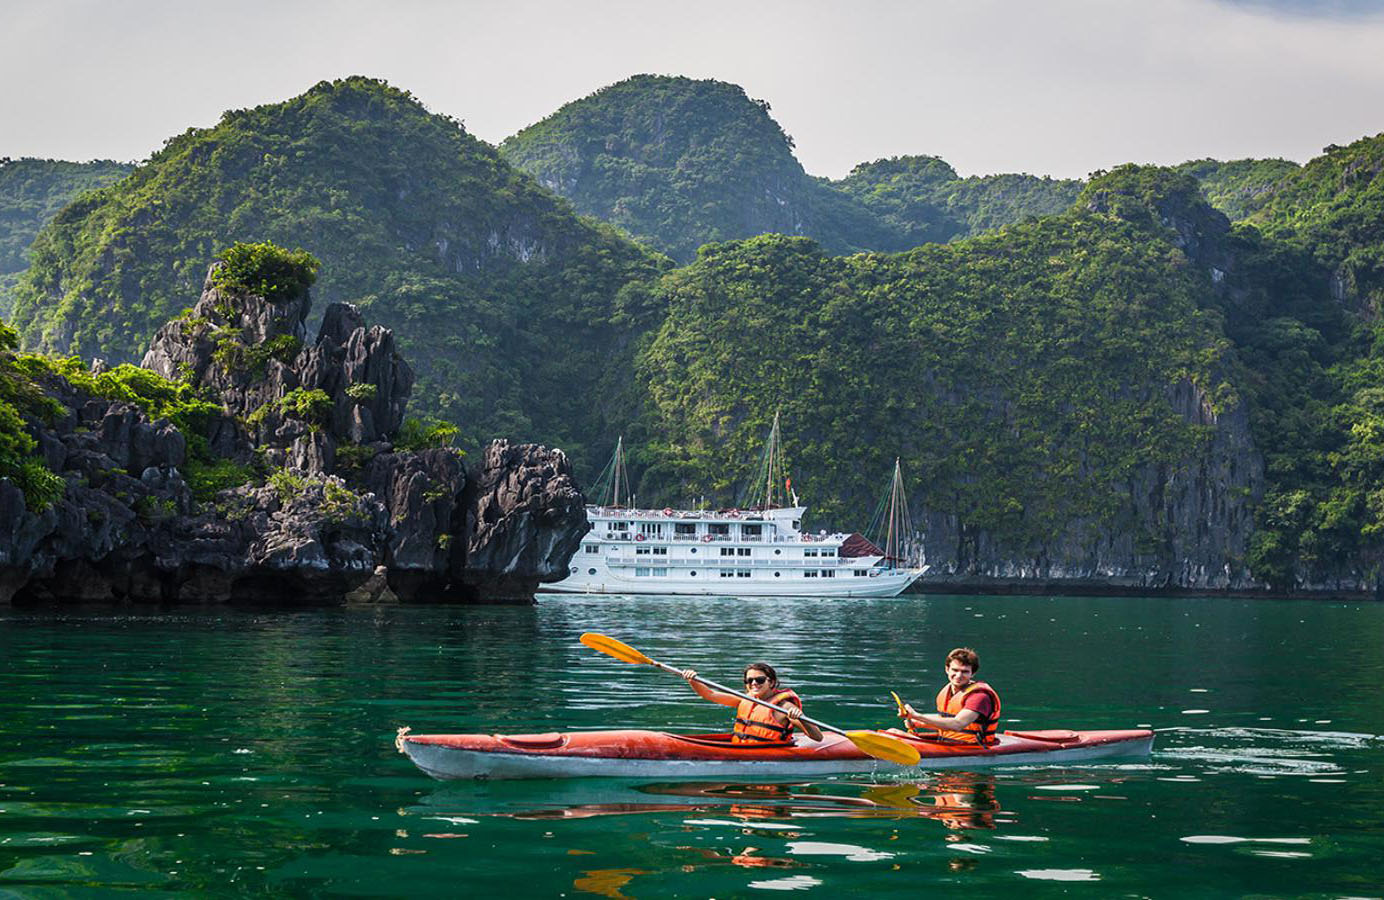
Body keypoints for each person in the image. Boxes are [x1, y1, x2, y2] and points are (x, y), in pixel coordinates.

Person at [681, 662, 824, 743]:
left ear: (772, 682)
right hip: (741, 746)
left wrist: (800, 718)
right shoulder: (746, 699)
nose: (754, 683)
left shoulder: (783, 707)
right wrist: (693, 680)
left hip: (768, 752)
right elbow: (709, 694)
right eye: (749, 681)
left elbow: (817, 737)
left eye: (760, 680)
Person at [901, 647, 1002, 747]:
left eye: (965, 671)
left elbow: (957, 724)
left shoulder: (979, 697)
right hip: (947, 743)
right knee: (893, 732)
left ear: (973, 673)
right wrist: (917, 722)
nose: (958, 675)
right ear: (947, 669)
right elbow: (946, 718)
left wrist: (917, 716)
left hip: (971, 747)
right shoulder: (947, 691)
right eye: (955, 670)